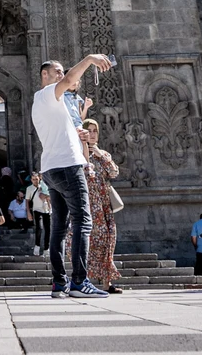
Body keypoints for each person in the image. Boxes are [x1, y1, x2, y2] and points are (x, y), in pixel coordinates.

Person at [32, 54, 112, 299]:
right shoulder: (47, 93)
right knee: (82, 221)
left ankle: (59, 283)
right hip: (68, 166)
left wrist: (79, 134)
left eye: (61, 71)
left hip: (52, 168)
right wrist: (89, 59)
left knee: (58, 227)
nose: (61, 74)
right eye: (56, 71)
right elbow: (68, 80)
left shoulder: (49, 103)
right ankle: (79, 281)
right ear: (44, 75)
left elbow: (64, 127)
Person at [81, 119, 122, 293]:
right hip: (88, 205)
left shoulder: (102, 154)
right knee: (91, 242)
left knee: (109, 241)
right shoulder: (77, 153)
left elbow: (114, 172)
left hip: (105, 205)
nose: (92, 134)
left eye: (95, 131)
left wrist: (101, 155)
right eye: (89, 130)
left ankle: (107, 283)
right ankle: (85, 280)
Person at [26, 172, 51, 256]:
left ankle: (46, 248)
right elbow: (27, 201)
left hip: (46, 209)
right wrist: (28, 212)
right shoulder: (29, 188)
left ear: (39, 179)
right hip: (36, 210)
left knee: (48, 229)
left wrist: (45, 196)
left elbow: (50, 196)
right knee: (39, 228)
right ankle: (37, 246)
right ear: (31, 180)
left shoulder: (44, 186)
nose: (35, 181)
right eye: (33, 179)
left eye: (36, 179)